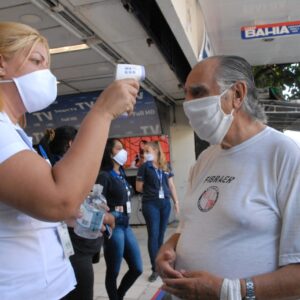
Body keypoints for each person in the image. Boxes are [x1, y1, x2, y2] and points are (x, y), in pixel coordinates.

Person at [0, 21, 139, 299]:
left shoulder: (13, 131)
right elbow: (59, 198)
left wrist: (70, 216)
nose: (47, 75)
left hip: (50, 284)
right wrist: (102, 113)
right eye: (37, 61)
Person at [155, 55, 300, 300]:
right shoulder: (205, 159)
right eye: (186, 94)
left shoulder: (284, 156)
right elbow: (190, 225)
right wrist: (169, 247)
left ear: (238, 94)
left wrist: (230, 291)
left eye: (198, 93)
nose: (188, 104)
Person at [97, 138, 143, 300]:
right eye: (118, 148)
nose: (124, 151)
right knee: (113, 271)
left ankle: (119, 295)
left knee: (137, 268)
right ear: (110, 153)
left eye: (123, 148)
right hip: (114, 225)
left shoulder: (121, 172)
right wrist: (106, 219)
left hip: (126, 224)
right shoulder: (104, 175)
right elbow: (96, 201)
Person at [136, 141, 180, 282]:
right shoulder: (144, 167)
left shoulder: (166, 166)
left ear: (156, 150)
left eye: (147, 151)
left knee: (161, 236)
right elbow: (138, 187)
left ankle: (161, 264)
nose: (145, 154)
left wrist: (176, 202)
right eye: (144, 152)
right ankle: (155, 269)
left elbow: (171, 185)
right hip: (151, 204)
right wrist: (152, 191)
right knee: (153, 235)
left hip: (165, 204)